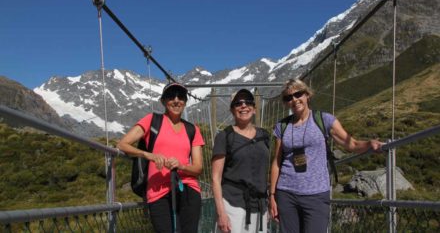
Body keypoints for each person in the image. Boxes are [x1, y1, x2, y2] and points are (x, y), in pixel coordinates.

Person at [269, 79, 383, 233]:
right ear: (286, 103)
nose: (294, 100)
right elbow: (276, 162)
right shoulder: (281, 127)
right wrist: (272, 195)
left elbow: (351, 144)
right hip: (286, 193)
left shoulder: (324, 120)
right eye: (289, 97)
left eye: (298, 94)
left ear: (307, 94)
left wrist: (369, 144)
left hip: (316, 194)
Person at [117, 82, 204, 233]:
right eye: (171, 96)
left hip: (187, 187)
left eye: (181, 96)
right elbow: (122, 144)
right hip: (158, 191)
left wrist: (181, 166)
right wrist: (147, 155)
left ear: (185, 101)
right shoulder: (152, 121)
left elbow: (198, 168)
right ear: (163, 101)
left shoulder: (192, 130)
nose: (176, 100)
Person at [212, 89, 271, 233]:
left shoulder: (265, 136)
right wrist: (221, 213)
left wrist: (268, 204)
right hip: (233, 206)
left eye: (248, 102)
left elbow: (264, 173)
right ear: (232, 110)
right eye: (238, 103)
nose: (243, 106)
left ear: (255, 109)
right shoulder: (224, 136)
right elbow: (215, 178)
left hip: (260, 207)